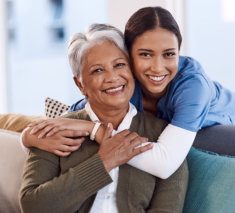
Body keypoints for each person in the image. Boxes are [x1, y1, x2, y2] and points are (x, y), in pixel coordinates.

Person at [20, 24, 188, 213]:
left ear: (132, 70)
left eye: (119, 65)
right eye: (97, 70)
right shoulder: (55, 131)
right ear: (80, 84)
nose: (112, 77)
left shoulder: (165, 138)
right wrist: (103, 162)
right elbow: (32, 206)